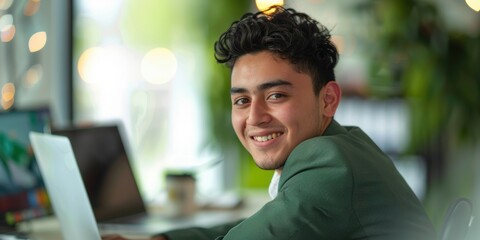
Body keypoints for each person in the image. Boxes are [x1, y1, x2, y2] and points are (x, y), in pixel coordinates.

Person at [103, 5, 437, 240]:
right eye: (241, 100)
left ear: (328, 100)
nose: (255, 117)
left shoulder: (329, 164)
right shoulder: (343, 144)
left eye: (276, 95)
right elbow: (257, 226)